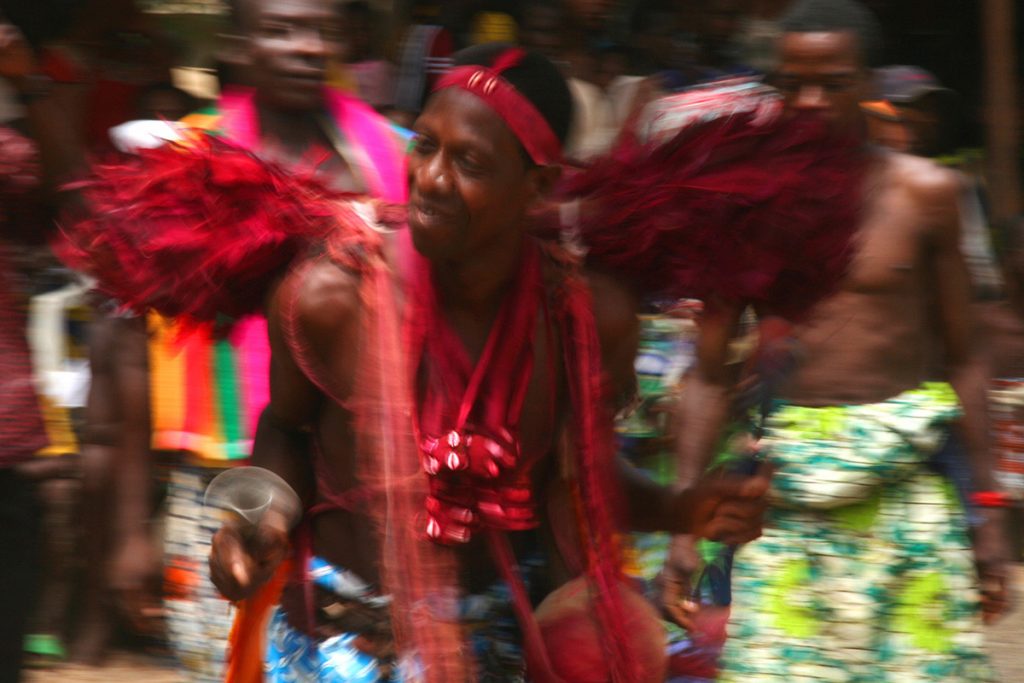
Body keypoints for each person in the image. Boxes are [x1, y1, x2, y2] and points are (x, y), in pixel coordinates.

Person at [196, 43, 770, 681]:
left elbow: (581, 475)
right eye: (425, 146)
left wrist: (682, 509)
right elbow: (284, 428)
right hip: (339, 643)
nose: (432, 179)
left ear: (538, 186)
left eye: (469, 161)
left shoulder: (581, 320)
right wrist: (260, 522)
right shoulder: (330, 296)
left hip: (496, 647)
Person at [665, 1, 1012, 680]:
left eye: (833, 83)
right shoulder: (745, 209)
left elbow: (965, 359)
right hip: (783, 506)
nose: (811, 102)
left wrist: (989, 515)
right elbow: (708, 375)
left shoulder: (927, 195)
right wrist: (683, 522)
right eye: (793, 85)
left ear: (869, 86)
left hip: (907, 496)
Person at [79, 0, 409, 675]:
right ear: (237, 40)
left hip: (356, 490)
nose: (304, 47)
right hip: (221, 484)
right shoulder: (184, 156)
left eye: (319, 30)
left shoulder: (393, 152)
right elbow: (127, 346)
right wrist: (128, 529)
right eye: (279, 30)